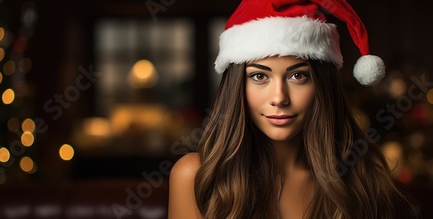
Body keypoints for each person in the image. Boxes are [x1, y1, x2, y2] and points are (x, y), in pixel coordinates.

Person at [168, 0, 419, 218]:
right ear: (237, 87)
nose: (279, 98)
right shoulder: (195, 176)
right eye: (259, 77)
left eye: (298, 76)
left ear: (323, 86)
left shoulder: (363, 178)